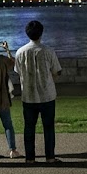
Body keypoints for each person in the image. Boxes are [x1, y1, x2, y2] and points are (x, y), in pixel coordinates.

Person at [15, 20, 62, 164]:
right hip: (47, 95)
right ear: (41, 33)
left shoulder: (20, 52)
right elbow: (57, 71)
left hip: (28, 96)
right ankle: (50, 157)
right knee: (48, 127)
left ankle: (30, 158)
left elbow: (18, 71)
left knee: (29, 127)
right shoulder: (48, 51)